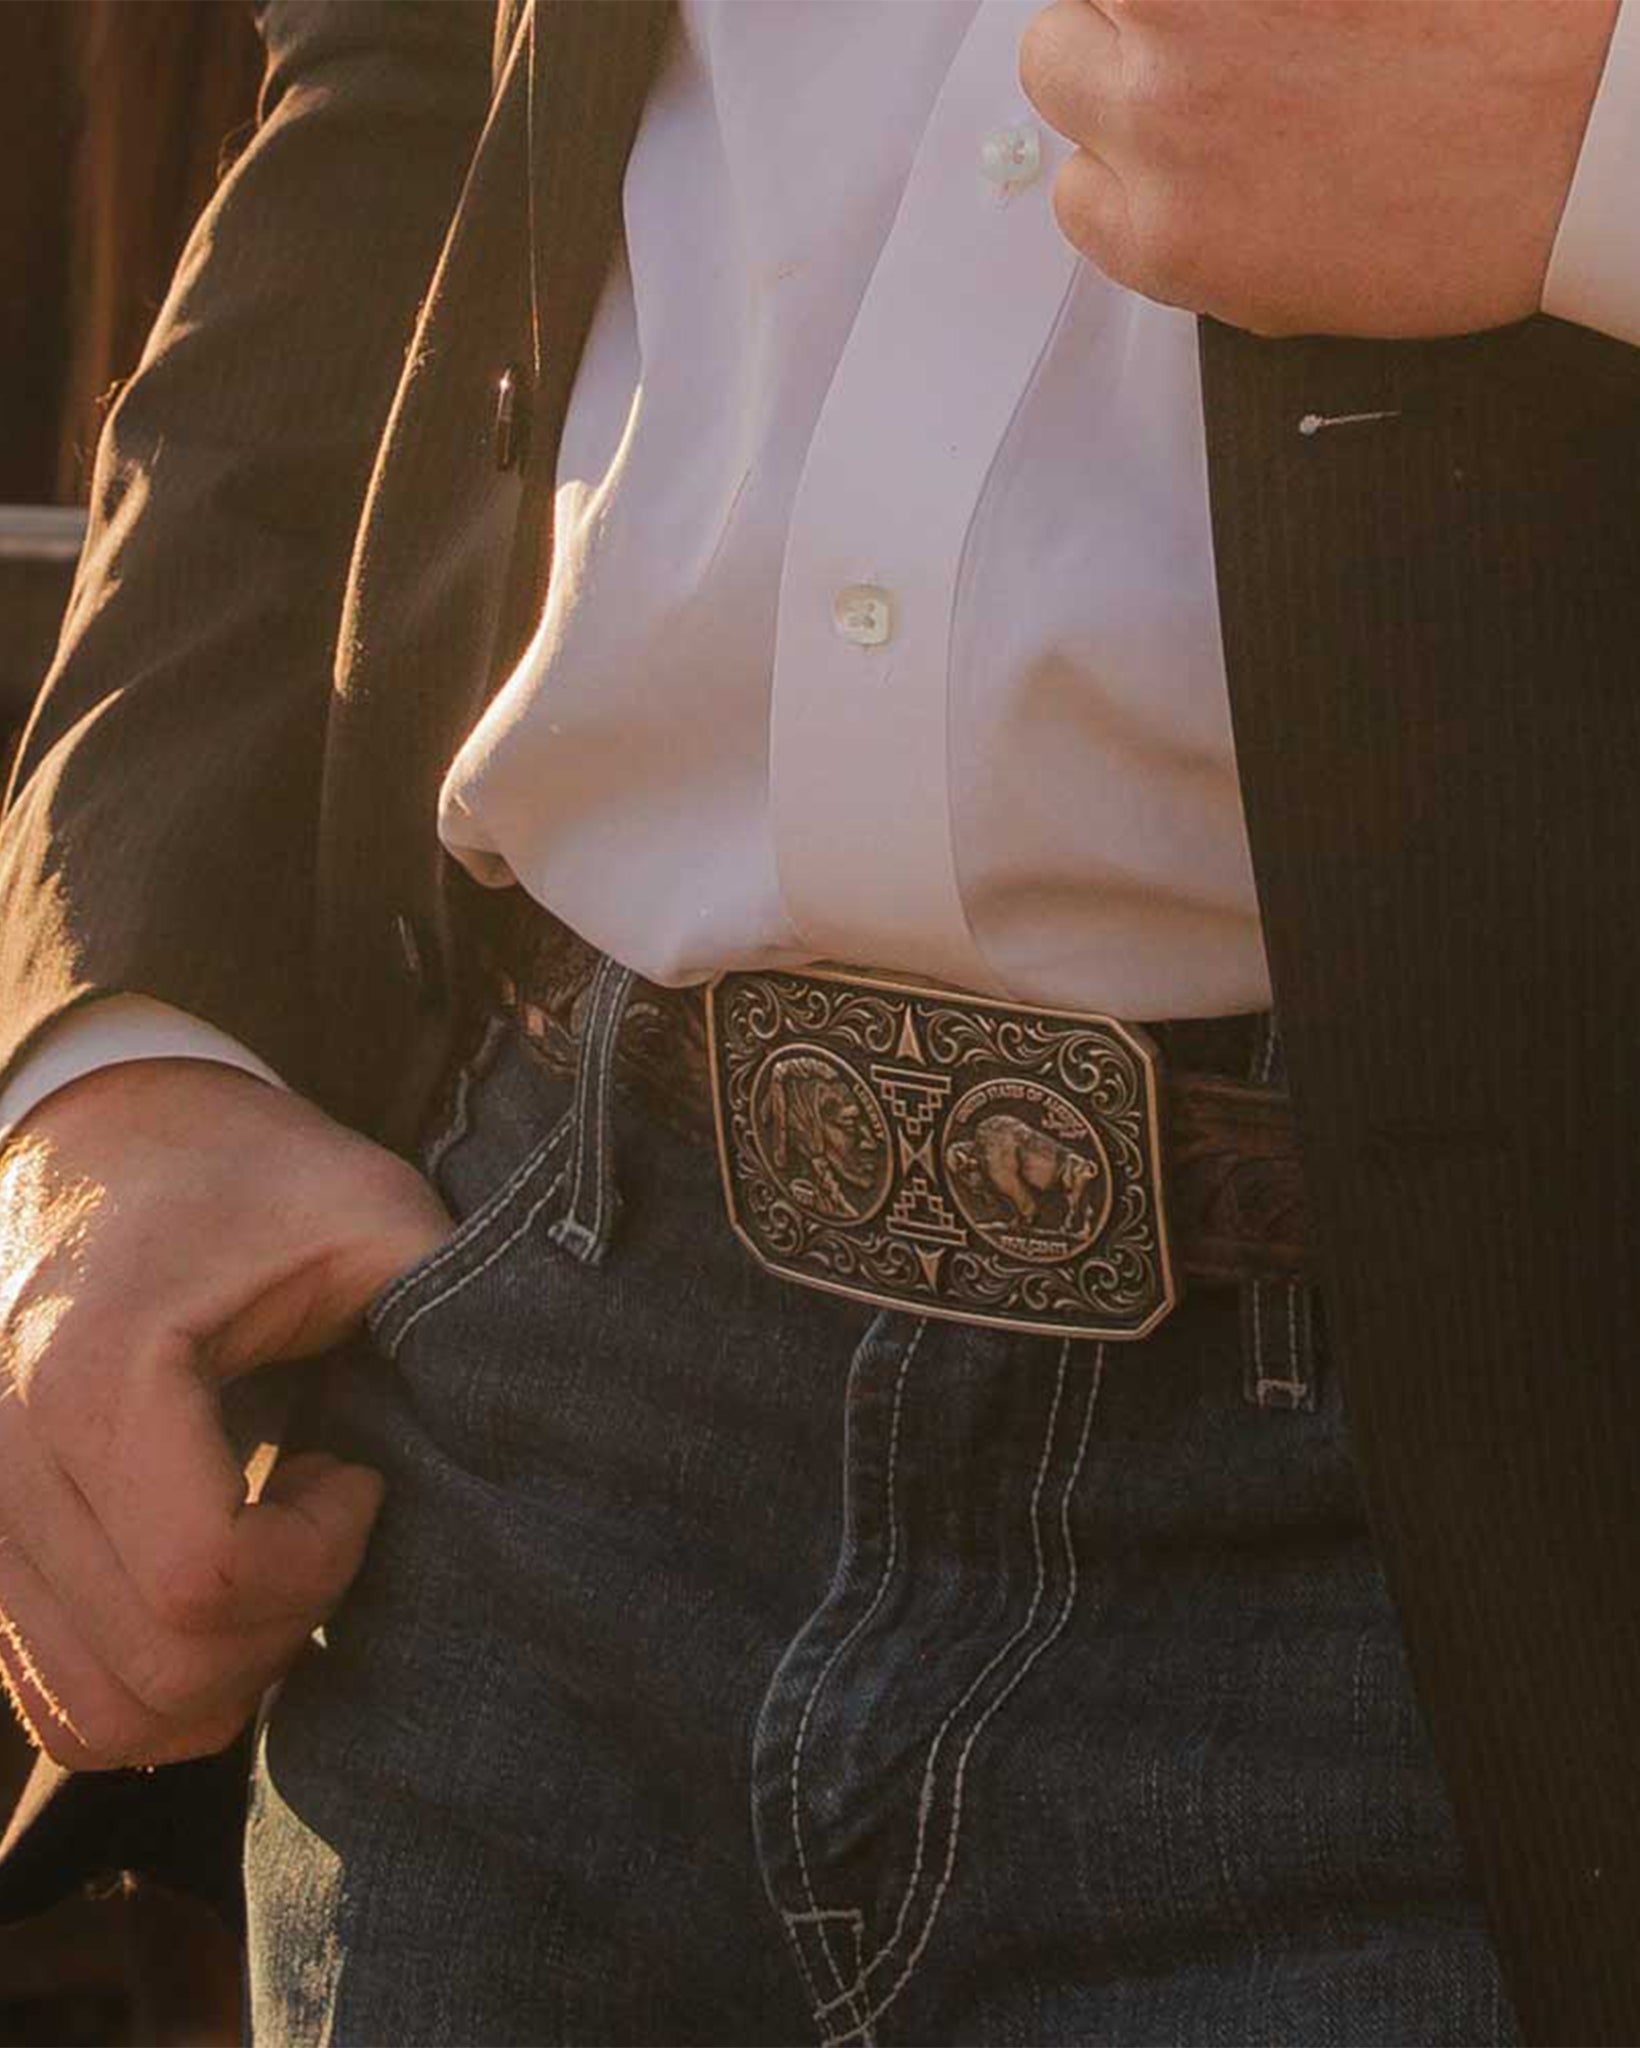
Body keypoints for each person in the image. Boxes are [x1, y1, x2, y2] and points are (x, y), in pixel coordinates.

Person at [0, 0, 1635, 2041]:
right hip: (528, 1407)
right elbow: (404, 72)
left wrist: (1612, 154)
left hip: (1471, 1506)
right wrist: (134, 1035)